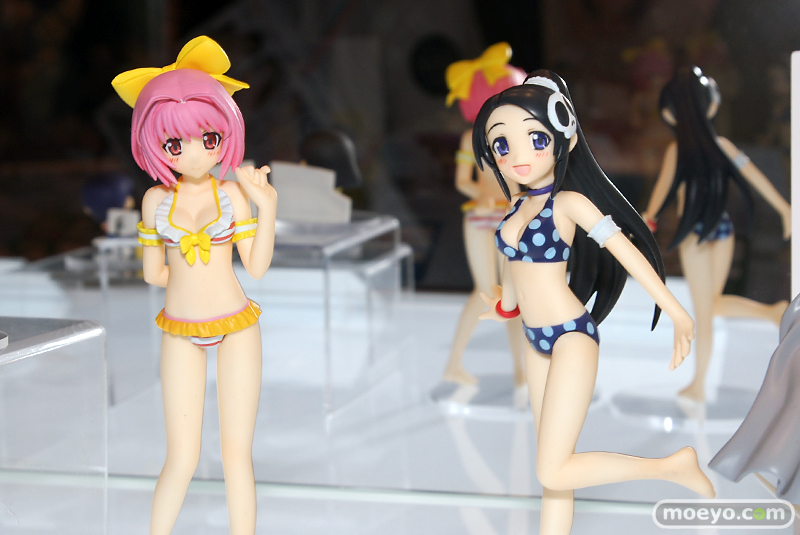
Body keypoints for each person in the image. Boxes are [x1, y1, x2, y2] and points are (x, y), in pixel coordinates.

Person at [474, 69, 714, 535]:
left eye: (535, 140)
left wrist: (677, 311)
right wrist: (505, 305)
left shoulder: (569, 204)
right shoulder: (515, 206)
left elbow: (629, 254)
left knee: (552, 468)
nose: (518, 156)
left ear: (564, 138)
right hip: (533, 337)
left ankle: (669, 467)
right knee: (553, 469)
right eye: (501, 144)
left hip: (571, 336)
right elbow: (513, 269)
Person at [112, 36, 277, 535]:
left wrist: (267, 207)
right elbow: (152, 273)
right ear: (153, 144)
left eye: (209, 138)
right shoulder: (153, 202)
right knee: (180, 457)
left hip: (236, 326)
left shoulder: (233, 195)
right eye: (174, 144)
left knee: (235, 455)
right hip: (180, 329)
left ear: (226, 131)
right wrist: (185, 274)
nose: (195, 153)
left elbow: (257, 267)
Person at [641, 66, 791, 402]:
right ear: (709, 105)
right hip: (722, 230)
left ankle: (699, 384)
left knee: (705, 311)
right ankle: (769, 312)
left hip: (695, 235)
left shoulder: (680, 150)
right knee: (711, 306)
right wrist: (783, 209)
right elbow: (753, 177)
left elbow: (661, 193)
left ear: (672, 112)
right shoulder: (718, 146)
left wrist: (648, 218)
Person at [441, 42, 526, 386]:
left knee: (512, 294)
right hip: (481, 217)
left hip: (511, 217)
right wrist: (484, 196)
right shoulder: (470, 139)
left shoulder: (517, 137)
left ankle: (521, 371)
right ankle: (454, 364)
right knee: (484, 291)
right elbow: (463, 181)